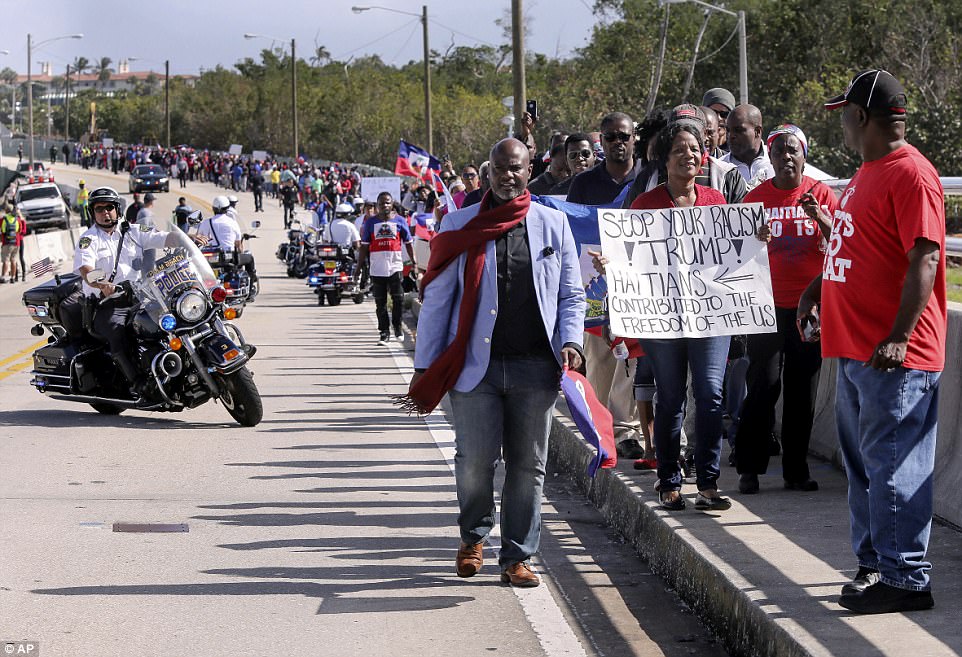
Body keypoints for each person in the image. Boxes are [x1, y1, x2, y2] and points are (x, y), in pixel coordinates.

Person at [405, 138, 586, 587]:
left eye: (516, 168)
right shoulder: (460, 223)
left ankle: (518, 557)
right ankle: (473, 537)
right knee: (473, 461)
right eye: (500, 168)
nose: (508, 175)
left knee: (529, 466)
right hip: (475, 368)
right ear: (488, 172)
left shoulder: (553, 223)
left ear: (529, 171)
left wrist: (572, 341)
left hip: (535, 368)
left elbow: (571, 294)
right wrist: (425, 365)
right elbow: (438, 299)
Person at [798, 69, 945, 614]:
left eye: (844, 115)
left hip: (893, 355)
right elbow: (852, 244)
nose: (840, 125)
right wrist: (816, 289)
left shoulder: (911, 174)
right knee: (866, 468)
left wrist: (899, 337)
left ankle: (905, 577)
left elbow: (926, 257)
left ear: (861, 117)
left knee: (894, 466)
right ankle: (876, 565)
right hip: (855, 348)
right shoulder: (867, 172)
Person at [628, 121, 732, 512]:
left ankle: (707, 483)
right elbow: (630, 257)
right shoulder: (645, 205)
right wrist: (612, 264)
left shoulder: (716, 201)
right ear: (664, 160)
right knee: (670, 396)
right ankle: (669, 479)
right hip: (664, 318)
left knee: (710, 393)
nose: (688, 155)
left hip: (710, 316)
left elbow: (732, 255)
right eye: (679, 150)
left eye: (694, 149)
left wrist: (756, 241)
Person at [734, 124, 838, 495]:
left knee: (801, 389)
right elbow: (736, 251)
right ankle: (749, 467)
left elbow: (843, 244)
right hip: (767, 305)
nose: (786, 157)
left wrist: (820, 217)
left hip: (809, 309)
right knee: (764, 384)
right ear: (771, 158)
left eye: (793, 150)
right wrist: (754, 237)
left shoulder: (822, 194)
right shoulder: (756, 198)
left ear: (804, 156)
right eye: (779, 151)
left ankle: (796, 470)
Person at [567, 111, 645, 459]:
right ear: (602, 141)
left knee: (632, 357)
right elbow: (571, 231)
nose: (618, 143)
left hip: (637, 280)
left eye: (623, 136)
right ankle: (604, 426)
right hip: (594, 283)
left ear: (634, 138)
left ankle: (626, 429)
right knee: (599, 359)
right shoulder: (584, 183)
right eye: (610, 137)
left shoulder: (647, 176)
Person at [64, 187, 185, 394]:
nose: (105, 212)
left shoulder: (133, 231)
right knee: (117, 332)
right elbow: (86, 269)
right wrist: (103, 285)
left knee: (175, 317)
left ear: (117, 209)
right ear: (92, 213)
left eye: (109, 207)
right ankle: (138, 382)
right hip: (107, 304)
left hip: (140, 297)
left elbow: (163, 237)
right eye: (99, 209)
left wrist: (187, 239)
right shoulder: (89, 239)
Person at [356, 191, 416, 345]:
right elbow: (364, 247)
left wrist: (414, 262)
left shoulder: (400, 221)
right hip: (377, 268)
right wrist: (358, 267)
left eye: (387, 202)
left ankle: (397, 327)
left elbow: (409, 243)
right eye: (381, 203)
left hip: (395, 266)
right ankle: (384, 332)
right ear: (377, 205)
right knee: (380, 302)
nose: (385, 205)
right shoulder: (370, 223)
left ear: (392, 204)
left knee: (398, 298)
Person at [722, 104, 776, 189]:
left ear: (757, 132)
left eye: (738, 130)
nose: (731, 135)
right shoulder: (720, 168)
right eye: (728, 130)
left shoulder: (778, 161)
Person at [550, 133, 596, 197]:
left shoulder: (607, 184)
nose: (579, 158)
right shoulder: (557, 192)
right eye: (573, 155)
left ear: (594, 156)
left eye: (585, 153)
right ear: (566, 160)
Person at [0, 205, 26, 283]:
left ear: (6, 211)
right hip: (16, 242)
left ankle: (3, 277)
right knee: (14, 260)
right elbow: (21, 231)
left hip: (7, 243)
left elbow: (2, 230)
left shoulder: (4, 219)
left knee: (6, 260)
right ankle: (13, 278)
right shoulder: (18, 219)